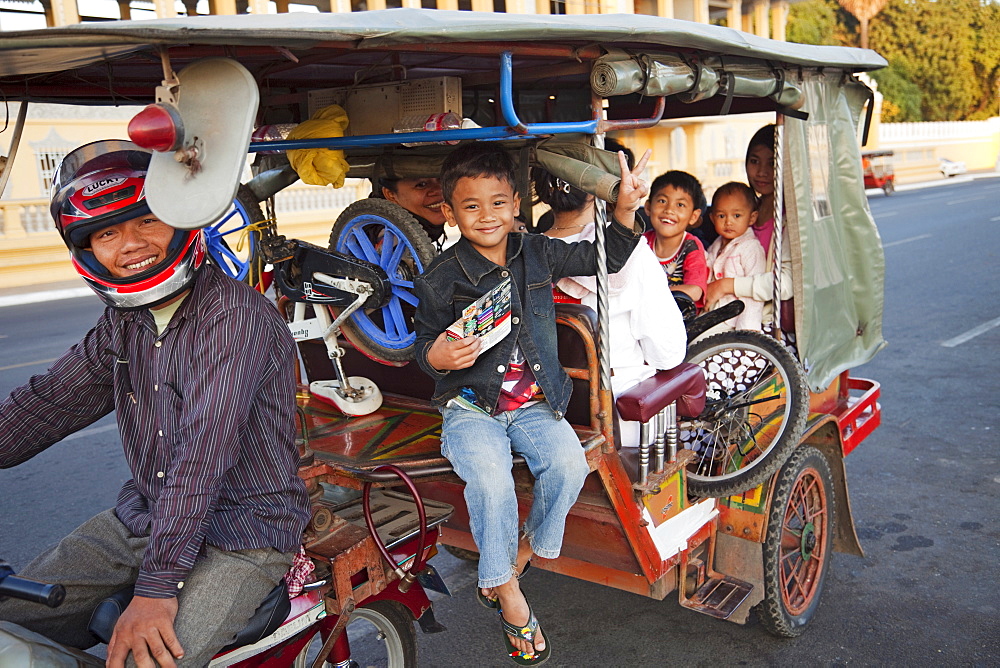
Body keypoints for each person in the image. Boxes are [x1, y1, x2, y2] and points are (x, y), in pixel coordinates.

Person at [0, 140, 310, 667]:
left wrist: (155, 590)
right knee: (12, 617)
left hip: (243, 533)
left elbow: (201, 457)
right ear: (87, 250)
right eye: (107, 233)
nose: (131, 244)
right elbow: (49, 403)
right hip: (144, 519)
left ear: (179, 219)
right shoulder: (125, 323)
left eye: (146, 221)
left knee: (147, 662)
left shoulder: (233, 318)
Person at [414, 142, 650, 665]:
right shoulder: (440, 276)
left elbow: (604, 255)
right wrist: (439, 354)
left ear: (515, 204)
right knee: (492, 480)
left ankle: (522, 555)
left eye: (497, 202)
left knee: (569, 466)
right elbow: (423, 348)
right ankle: (509, 594)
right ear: (450, 213)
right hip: (470, 407)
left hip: (536, 405)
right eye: (470, 206)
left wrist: (628, 208)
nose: (486, 216)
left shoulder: (539, 251)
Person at [534, 166, 686, 448]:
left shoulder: (525, 253)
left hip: (540, 417)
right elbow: (666, 353)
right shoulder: (632, 251)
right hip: (618, 420)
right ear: (596, 192)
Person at [704, 124, 793, 330]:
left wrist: (727, 285)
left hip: (764, 324)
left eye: (772, 163)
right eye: (754, 161)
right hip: (724, 314)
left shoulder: (790, 219)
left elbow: (786, 284)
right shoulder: (741, 211)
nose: (762, 172)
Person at [642, 170, 710, 311]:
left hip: (681, 318)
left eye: (680, 205)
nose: (669, 210)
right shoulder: (642, 243)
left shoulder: (691, 246)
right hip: (645, 311)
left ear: (693, 216)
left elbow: (695, 290)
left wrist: (651, 294)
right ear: (648, 207)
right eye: (662, 201)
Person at [704, 182, 767, 332]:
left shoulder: (751, 248)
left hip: (734, 322)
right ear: (712, 218)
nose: (728, 222)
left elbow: (754, 297)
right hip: (713, 314)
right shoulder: (716, 245)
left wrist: (746, 332)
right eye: (721, 216)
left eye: (737, 215)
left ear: (752, 218)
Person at [376, 175, 448, 252]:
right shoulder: (390, 240)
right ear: (391, 195)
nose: (439, 190)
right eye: (421, 185)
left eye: (441, 180)